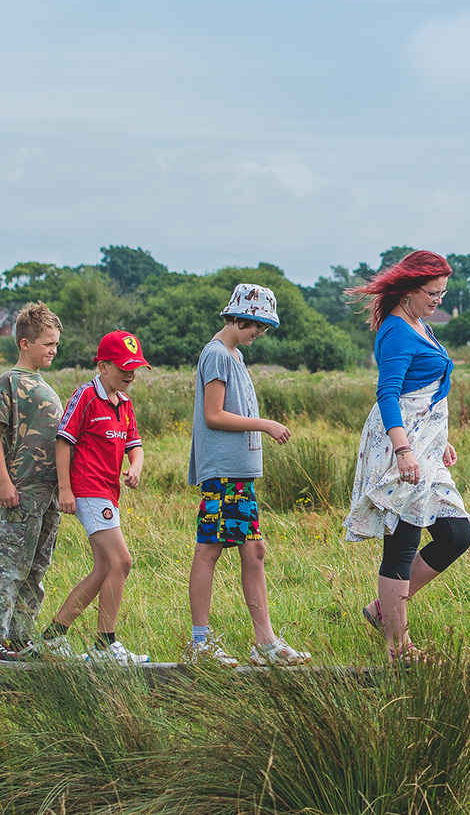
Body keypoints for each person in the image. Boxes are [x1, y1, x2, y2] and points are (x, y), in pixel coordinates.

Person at [343, 251, 470, 661]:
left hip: (425, 444)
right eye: (433, 293)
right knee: (402, 544)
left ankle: (381, 611)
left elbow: (426, 392)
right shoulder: (398, 331)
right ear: (410, 289)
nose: (439, 300)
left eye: (443, 293)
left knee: (456, 535)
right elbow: (389, 393)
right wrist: (404, 449)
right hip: (401, 445)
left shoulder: (418, 323)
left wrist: (439, 439)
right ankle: (399, 648)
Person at [184, 283, 310, 666]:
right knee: (209, 550)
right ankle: (200, 643)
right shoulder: (217, 355)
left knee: (253, 550)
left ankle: (265, 643)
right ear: (240, 317)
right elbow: (214, 414)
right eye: (258, 326)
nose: (260, 334)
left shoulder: (233, 355)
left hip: (238, 475)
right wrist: (266, 424)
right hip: (223, 473)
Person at [39, 330, 151, 663]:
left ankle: (52, 637)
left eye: (134, 368)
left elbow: (136, 446)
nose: (130, 375)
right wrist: (64, 490)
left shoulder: (125, 404)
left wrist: (136, 467)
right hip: (88, 492)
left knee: (104, 568)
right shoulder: (86, 396)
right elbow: (63, 441)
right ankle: (105, 645)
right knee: (122, 562)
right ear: (102, 366)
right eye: (123, 368)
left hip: (109, 494)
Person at [0, 302, 66, 661]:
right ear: (25, 343)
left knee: (36, 567)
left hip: (50, 492)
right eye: (47, 344)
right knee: (10, 566)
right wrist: (3, 482)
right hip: (23, 488)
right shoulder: (10, 381)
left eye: (56, 344)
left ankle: (20, 638)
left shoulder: (43, 383)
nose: (53, 350)